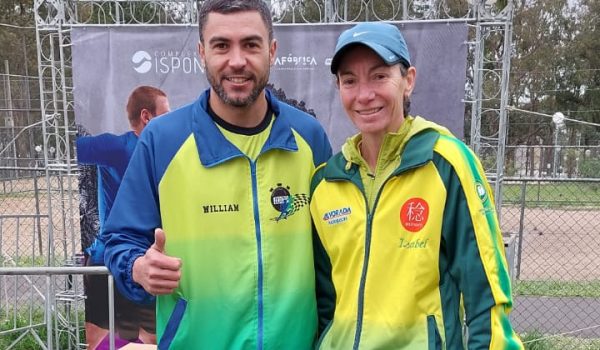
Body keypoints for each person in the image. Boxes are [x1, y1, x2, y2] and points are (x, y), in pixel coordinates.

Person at [101, 0, 332, 348]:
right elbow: (119, 239)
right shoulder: (163, 140)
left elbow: (332, 257)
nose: (236, 60)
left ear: (271, 50)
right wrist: (137, 267)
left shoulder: (309, 137)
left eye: (251, 44)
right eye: (221, 45)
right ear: (201, 52)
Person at [309, 22, 524, 349]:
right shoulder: (326, 182)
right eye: (350, 81)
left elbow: (486, 295)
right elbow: (326, 303)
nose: (365, 94)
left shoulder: (446, 163)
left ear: (408, 80)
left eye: (380, 76)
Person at [76, 85, 170, 349]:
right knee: (97, 335)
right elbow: (69, 148)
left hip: (153, 258)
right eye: (166, 113)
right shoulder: (116, 147)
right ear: (146, 116)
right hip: (110, 257)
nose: (172, 118)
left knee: (152, 337)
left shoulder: (172, 153)